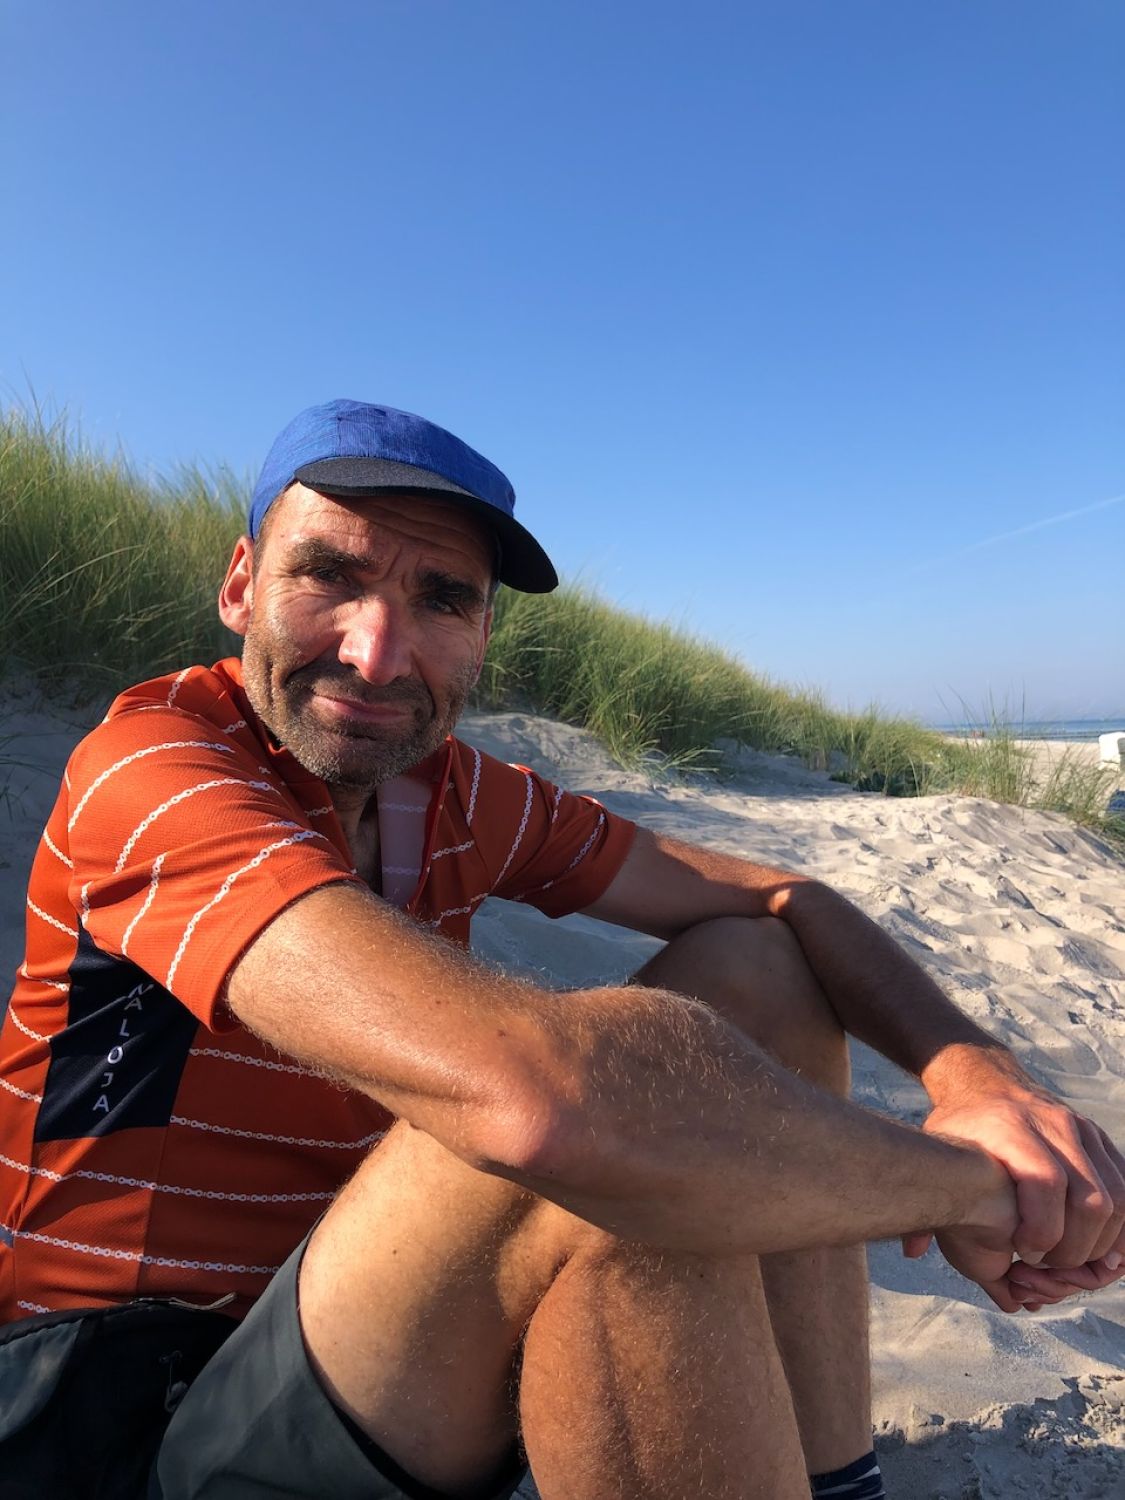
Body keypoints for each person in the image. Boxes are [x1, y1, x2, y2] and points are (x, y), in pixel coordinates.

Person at [1, 399, 1122, 1500]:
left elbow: (786, 897)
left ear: (484, 634)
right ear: (242, 585)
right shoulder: (155, 774)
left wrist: (979, 1081)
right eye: (328, 576)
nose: (377, 653)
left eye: (442, 598)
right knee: (605, 1150)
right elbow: (543, 1108)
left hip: (363, 1347)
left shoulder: (451, 794)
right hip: (112, 1410)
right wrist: (974, 1190)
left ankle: (839, 1485)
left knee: (754, 971)